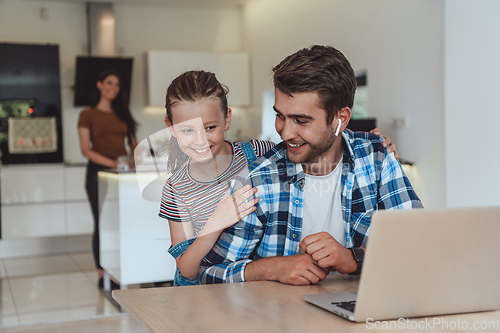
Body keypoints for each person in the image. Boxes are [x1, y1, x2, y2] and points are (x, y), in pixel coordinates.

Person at [199, 45, 423, 285]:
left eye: (301, 120)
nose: (285, 133)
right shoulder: (258, 178)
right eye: (280, 116)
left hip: (362, 311)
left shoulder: (377, 158)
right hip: (276, 318)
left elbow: (418, 248)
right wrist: (270, 268)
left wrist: (354, 259)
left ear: (341, 118)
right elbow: (209, 273)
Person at [158, 70, 398, 286]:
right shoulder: (177, 188)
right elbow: (188, 270)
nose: (200, 140)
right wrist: (217, 221)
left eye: (210, 128)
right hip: (196, 288)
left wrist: (372, 144)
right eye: (187, 130)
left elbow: (309, 144)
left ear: (227, 119)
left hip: (245, 281)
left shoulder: (256, 152)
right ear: (170, 126)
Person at [77, 70, 138, 288]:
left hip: (122, 175)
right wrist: (113, 163)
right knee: (102, 222)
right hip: (98, 173)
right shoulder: (87, 114)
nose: (114, 87)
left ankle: (124, 265)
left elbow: (135, 145)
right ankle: (103, 272)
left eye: (117, 84)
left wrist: (135, 161)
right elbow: (86, 150)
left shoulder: (123, 114)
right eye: (109, 83)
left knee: (122, 223)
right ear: (100, 85)